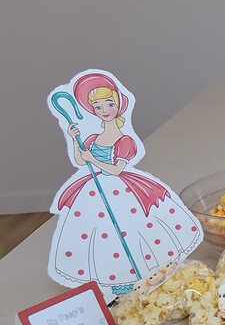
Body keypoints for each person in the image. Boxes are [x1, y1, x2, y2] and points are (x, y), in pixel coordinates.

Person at [49, 71, 202, 296]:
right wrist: (74, 139)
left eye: (109, 103)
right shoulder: (91, 138)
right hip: (96, 190)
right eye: (98, 107)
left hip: (122, 188)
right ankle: (120, 278)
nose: (104, 110)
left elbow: (117, 169)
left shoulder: (125, 141)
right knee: (104, 234)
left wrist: (94, 159)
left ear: (118, 104)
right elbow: (81, 160)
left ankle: (148, 270)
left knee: (133, 228)